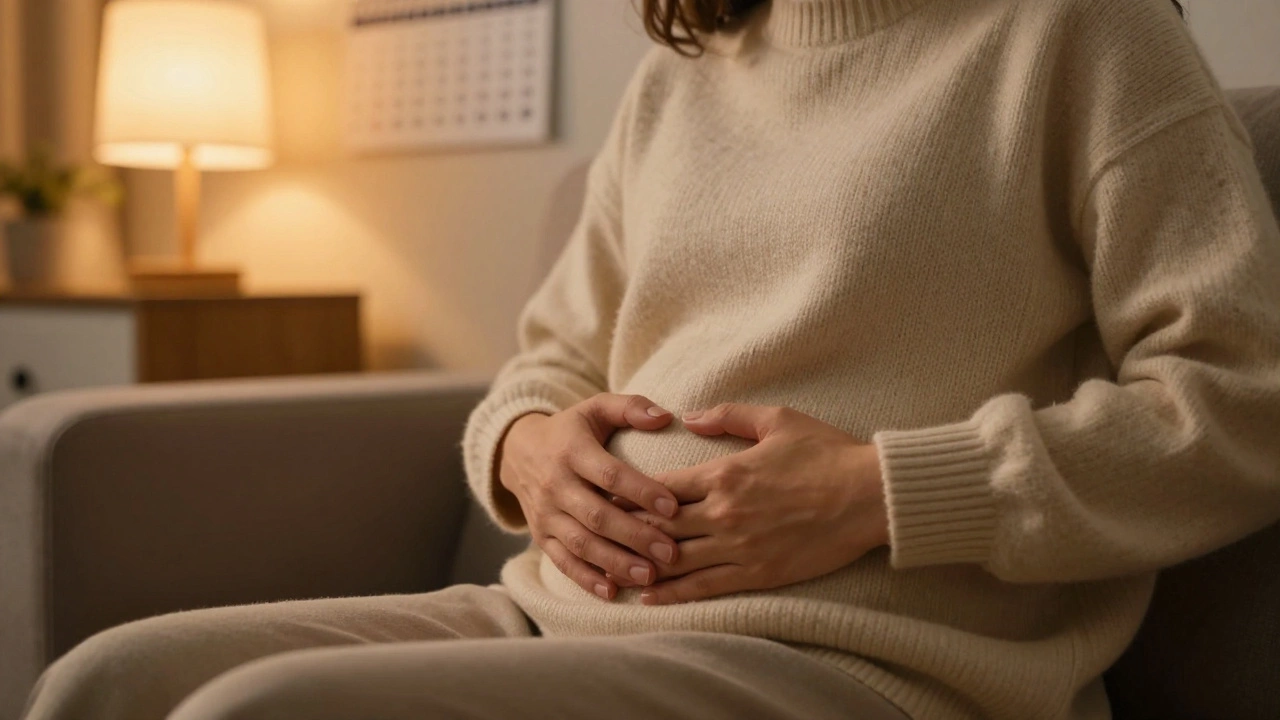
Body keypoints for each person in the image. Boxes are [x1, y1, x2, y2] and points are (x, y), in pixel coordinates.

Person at [23, 0, 1280, 718]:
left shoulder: (1081, 31)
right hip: (551, 613)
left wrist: (879, 491)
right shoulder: (678, 75)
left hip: (865, 667)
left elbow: (1241, 400)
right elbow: (549, 359)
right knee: (108, 685)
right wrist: (525, 449)